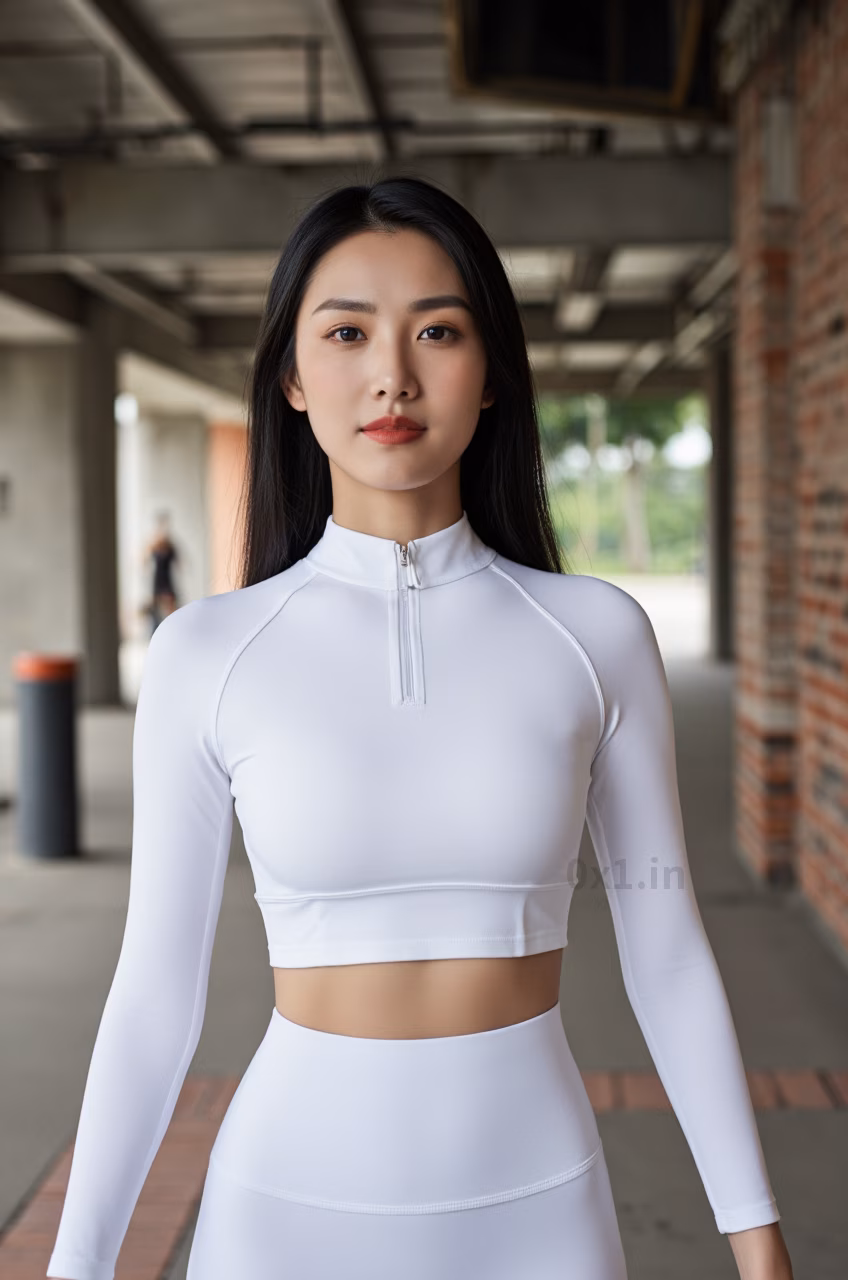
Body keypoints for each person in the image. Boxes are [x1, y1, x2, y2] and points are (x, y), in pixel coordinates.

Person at [46, 178, 794, 1280]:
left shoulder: (593, 634)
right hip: (279, 1213)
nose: (391, 373)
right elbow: (156, 990)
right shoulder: (209, 653)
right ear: (292, 378)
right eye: (346, 331)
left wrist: (756, 1237)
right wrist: (74, 1263)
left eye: (436, 330)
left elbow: (667, 947)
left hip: (540, 1211)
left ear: (489, 373)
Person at [142, 511, 180, 634]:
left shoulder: (169, 545)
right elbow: (144, 562)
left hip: (167, 582)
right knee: (155, 617)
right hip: (157, 583)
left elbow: (179, 563)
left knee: (172, 615)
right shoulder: (154, 545)